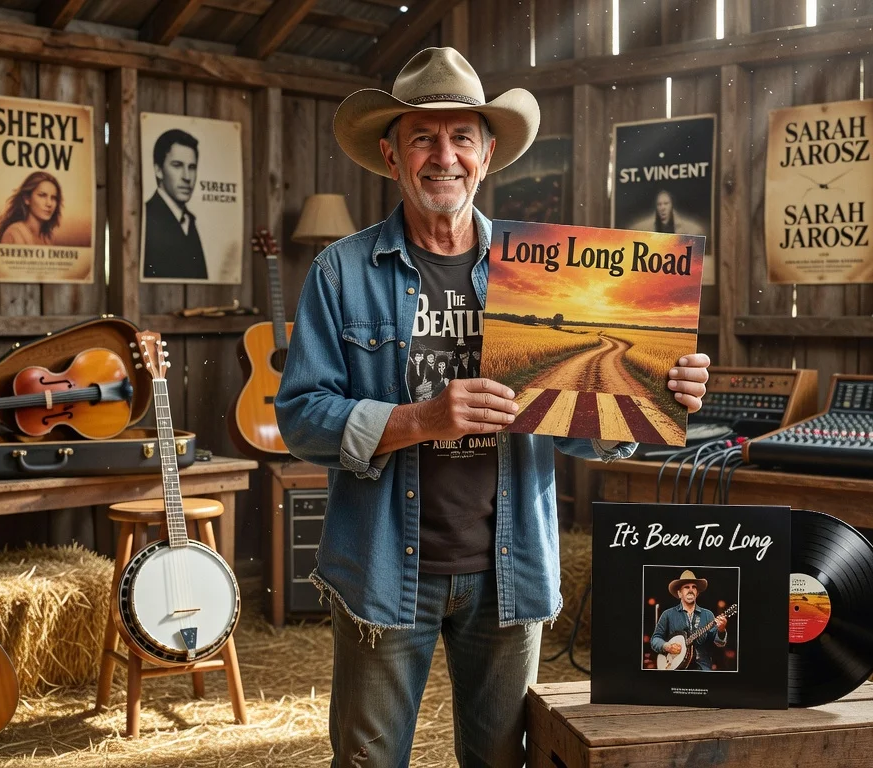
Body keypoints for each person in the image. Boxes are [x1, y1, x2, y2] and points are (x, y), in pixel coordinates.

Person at [274, 47, 711, 768]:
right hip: (383, 572)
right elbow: (301, 419)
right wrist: (422, 419)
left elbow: (581, 432)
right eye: (422, 136)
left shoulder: (547, 272)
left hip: (509, 572)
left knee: (503, 761)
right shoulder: (340, 271)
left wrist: (650, 395)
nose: (443, 156)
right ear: (390, 153)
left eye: (461, 137)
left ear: (488, 152)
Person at [143, 128, 207, 280]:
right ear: (158, 170)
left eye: (192, 167)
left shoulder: (189, 221)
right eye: (177, 165)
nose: (187, 177)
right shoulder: (147, 216)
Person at [649, 570, 728, 671]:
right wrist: (667, 646)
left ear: (697, 593)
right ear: (679, 593)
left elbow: (719, 643)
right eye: (686, 587)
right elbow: (655, 639)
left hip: (702, 668)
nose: (691, 590)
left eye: (694, 587)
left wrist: (721, 630)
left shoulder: (708, 615)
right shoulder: (668, 614)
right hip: (675, 668)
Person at [0, 171, 63, 245]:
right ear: (27, 199)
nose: (49, 203)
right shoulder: (14, 233)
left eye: (53, 198)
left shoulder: (48, 237)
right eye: (42, 195)